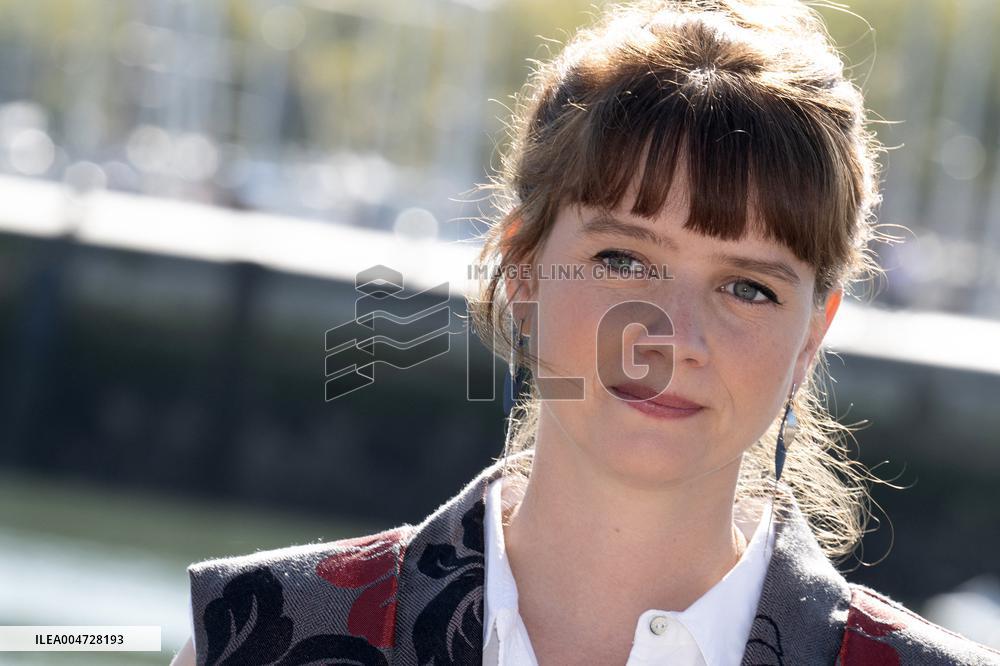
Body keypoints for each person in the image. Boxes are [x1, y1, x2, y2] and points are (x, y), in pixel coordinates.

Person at [171, 0, 1000, 664]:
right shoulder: (261, 638)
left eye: (747, 287)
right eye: (624, 260)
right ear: (522, 270)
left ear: (813, 334)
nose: (673, 336)